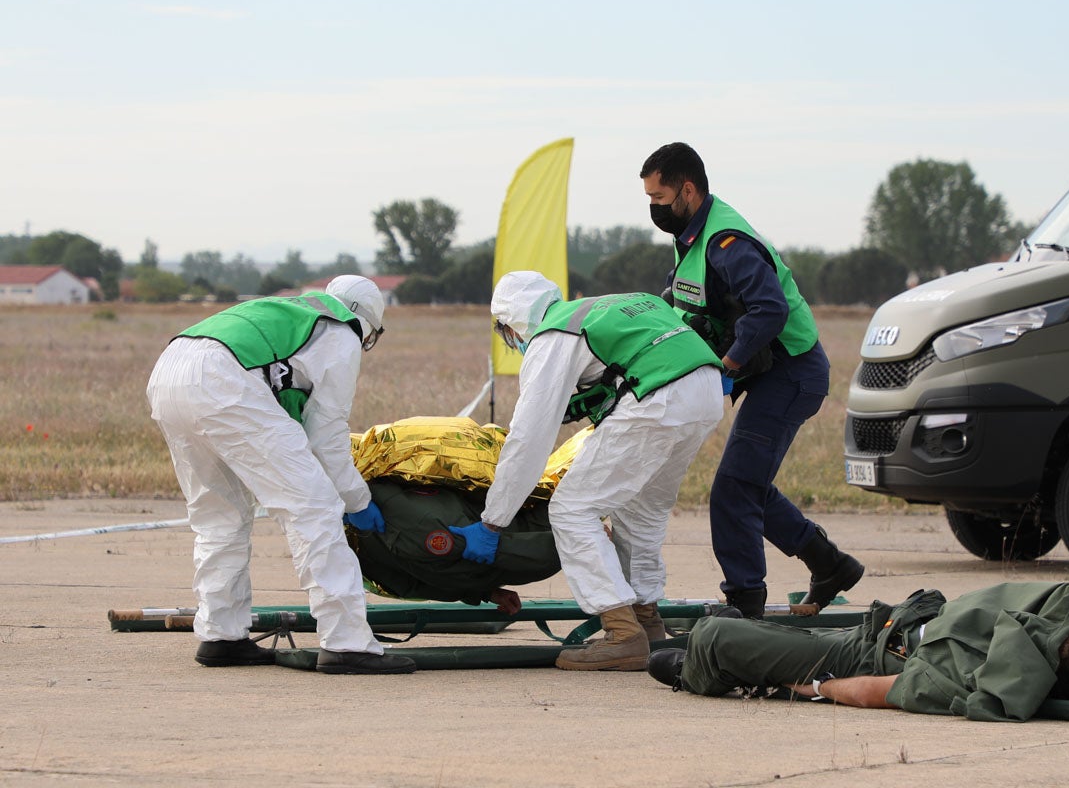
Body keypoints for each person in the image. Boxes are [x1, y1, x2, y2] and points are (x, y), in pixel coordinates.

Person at [449, 271, 725, 671]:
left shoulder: (552, 335)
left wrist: (493, 521)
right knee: (641, 511)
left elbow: (528, 440)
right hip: (705, 392)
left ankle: (621, 632)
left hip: (656, 399)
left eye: (506, 332)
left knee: (572, 509)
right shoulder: (604, 306)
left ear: (513, 322)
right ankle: (647, 622)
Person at [146, 276, 415, 675]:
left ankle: (221, 636)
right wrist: (358, 502)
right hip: (224, 380)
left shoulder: (295, 311)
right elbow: (326, 436)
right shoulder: (342, 330)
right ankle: (346, 643)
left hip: (171, 369)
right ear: (366, 322)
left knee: (219, 516)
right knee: (315, 507)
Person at [639, 142, 863, 620]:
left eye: (658, 198)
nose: (653, 209)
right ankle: (830, 564)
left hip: (791, 371)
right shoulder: (691, 237)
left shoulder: (728, 244)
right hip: (768, 370)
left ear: (688, 190)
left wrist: (727, 367)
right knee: (749, 482)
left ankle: (745, 602)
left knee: (734, 488)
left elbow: (770, 310)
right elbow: (685, 300)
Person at [648, 581, 1069, 722]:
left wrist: (807, 687)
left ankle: (698, 669)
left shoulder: (976, 682)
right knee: (732, 632)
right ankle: (729, 642)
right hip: (885, 628)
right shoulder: (1042, 629)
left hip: (856, 660)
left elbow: (869, 692)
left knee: (713, 638)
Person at [350, 478, 560, 613]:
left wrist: (579, 549)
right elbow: (413, 585)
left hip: (541, 526)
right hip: (521, 546)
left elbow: (546, 551)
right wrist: (484, 593)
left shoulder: (415, 526)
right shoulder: (359, 555)